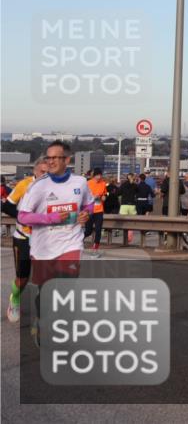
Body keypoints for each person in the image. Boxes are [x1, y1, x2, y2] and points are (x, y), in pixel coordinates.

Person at [17, 141, 93, 341]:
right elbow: (23, 217)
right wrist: (51, 218)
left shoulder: (80, 183)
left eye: (55, 158)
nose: (50, 162)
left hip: (71, 242)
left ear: (67, 160)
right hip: (43, 247)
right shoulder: (38, 186)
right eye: (48, 157)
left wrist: (86, 214)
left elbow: (89, 204)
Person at [2, 158, 47, 323]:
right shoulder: (24, 185)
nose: (46, 175)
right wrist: (23, 218)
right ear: (35, 171)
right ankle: (15, 298)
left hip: (45, 240)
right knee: (23, 278)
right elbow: (6, 206)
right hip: (23, 238)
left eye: (48, 172)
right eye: (42, 172)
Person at [85, 168, 108, 254]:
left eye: (100, 175)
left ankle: (96, 246)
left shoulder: (103, 183)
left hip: (99, 210)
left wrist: (104, 197)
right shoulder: (88, 183)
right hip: (89, 210)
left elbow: (105, 194)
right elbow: (84, 196)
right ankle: (79, 239)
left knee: (98, 229)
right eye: (98, 175)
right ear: (94, 175)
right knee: (88, 231)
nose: (99, 177)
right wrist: (93, 197)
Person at [118, 173, 139, 244]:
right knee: (131, 222)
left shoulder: (123, 185)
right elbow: (138, 192)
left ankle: (125, 238)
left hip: (124, 205)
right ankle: (129, 237)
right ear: (133, 178)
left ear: (127, 178)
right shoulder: (135, 185)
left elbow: (118, 193)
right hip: (132, 205)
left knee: (123, 221)